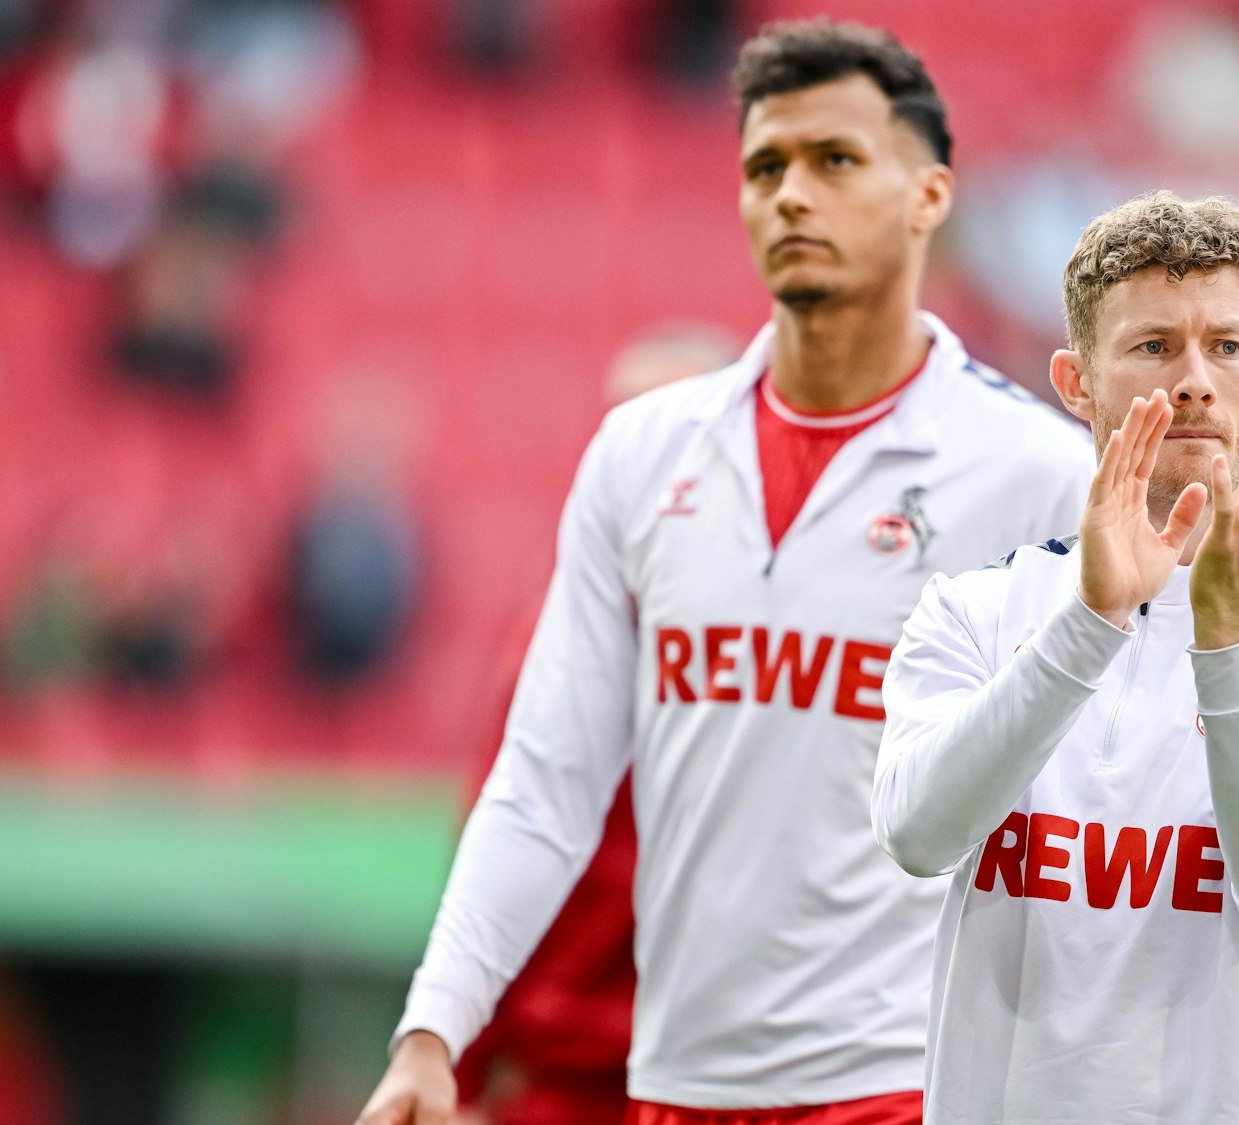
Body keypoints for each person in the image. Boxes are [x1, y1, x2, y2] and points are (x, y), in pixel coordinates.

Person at [357, 20, 1095, 1125]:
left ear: (928, 196)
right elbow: (541, 786)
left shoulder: (1036, 474)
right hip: (676, 1084)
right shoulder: (640, 456)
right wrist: (433, 1031)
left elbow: (1097, 815)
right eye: (765, 167)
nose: (791, 194)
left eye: (834, 161)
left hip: (903, 1082)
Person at [872, 191, 1239, 1123]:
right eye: (1152, 346)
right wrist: (1092, 620)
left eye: (1225, 346)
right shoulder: (972, 607)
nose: (1194, 380)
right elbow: (918, 833)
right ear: (1075, 381)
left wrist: (1229, 631)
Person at [452, 326, 736, 1125]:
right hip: (567, 1080)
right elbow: (497, 844)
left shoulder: (812, 637)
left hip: (739, 1081)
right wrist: (463, 1070)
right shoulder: (557, 638)